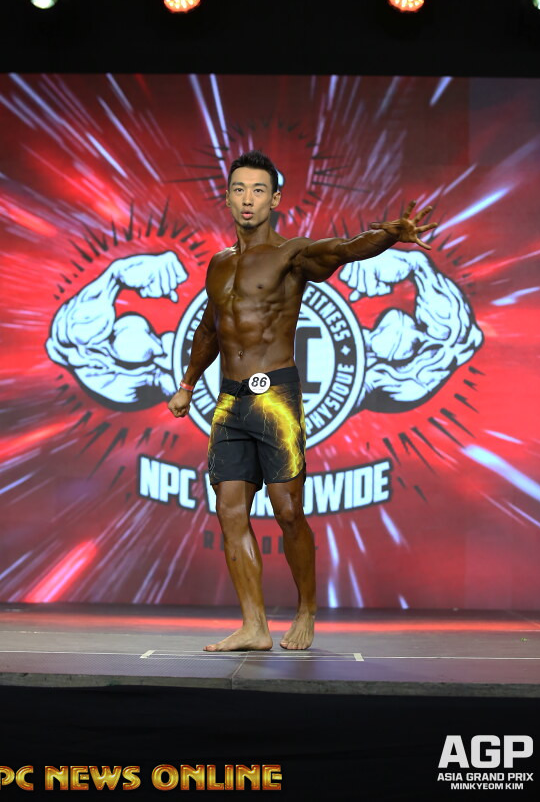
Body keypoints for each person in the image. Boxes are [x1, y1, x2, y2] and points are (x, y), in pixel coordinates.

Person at [167, 150, 437, 652]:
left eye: (258, 190)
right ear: (227, 197)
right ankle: (254, 627)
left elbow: (345, 249)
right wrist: (187, 383)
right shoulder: (219, 264)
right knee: (229, 511)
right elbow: (210, 327)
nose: (248, 200)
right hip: (229, 402)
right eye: (239, 190)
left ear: (275, 199)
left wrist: (390, 234)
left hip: (275, 397)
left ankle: (306, 610)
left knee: (288, 511)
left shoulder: (291, 255)